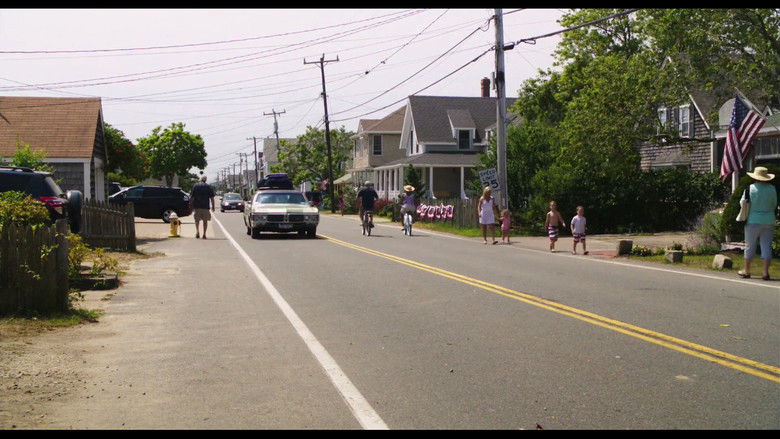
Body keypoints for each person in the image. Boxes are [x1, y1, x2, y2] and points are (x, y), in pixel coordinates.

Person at [738, 166, 777, 280]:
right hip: (769, 220)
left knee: (749, 246)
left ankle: (747, 270)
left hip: (753, 220)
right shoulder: (772, 189)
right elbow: (774, 204)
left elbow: (742, 203)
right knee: (766, 246)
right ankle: (765, 272)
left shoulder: (750, 188)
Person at [190, 174, 215, 239]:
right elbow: (212, 198)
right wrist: (213, 206)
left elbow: (192, 197)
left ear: (200, 180)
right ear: (205, 180)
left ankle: (197, 232)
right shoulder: (208, 186)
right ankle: (204, 234)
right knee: (205, 221)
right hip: (205, 206)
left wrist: (191, 206)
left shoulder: (195, 186)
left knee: (197, 220)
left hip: (197, 206)